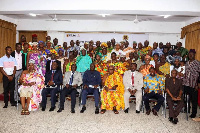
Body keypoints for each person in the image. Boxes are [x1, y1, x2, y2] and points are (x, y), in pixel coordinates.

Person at [183, 49, 200, 118]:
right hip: (186, 83)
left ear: (194, 55)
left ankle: (194, 113)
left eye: (192, 54)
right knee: (186, 98)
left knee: (194, 100)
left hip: (194, 84)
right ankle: (187, 109)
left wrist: (198, 83)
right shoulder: (186, 63)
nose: (190, 55)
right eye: (189, 54)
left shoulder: (197, 63)